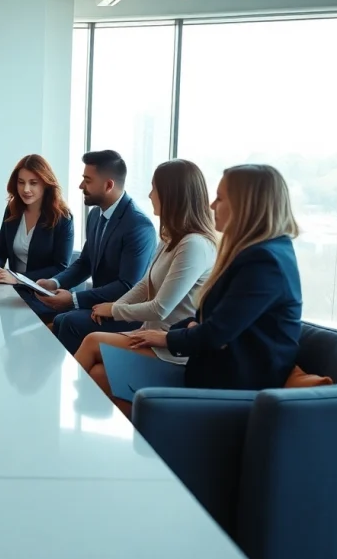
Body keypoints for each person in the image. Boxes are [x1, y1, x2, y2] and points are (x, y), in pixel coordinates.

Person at [126, 164, 302, 392]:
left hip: (235, 388)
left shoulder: (264, 261)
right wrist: (189, 328)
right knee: (104, 374)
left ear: (245, 205)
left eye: (219, 198)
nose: (211, 205)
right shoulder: (262, 252)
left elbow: (217, 332)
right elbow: (213, 321)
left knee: (104, 376)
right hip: (216, 371)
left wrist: (166, 338)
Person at [73, 160, 217, 405]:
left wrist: (114, 310)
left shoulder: (194, 245)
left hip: (171, 350)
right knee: (98, 374)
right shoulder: (172, 237)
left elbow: (161, 308)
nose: (150, 195)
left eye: (154, 188)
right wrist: (112, 306)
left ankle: (55, 402)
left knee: (92, 340)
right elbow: (143, 285)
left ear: (171, 194)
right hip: (149, 336)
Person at [34, 150, 157, 353]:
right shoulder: (95, 216)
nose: (81, 186)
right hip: (98, 307)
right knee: (58, 322)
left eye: (87, 180)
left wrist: (74, 299)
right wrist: (54, 282)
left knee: (68, 321)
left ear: (108, 185)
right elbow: (85, 263)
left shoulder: (138, 226)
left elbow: (127, 285)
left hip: (124, 314)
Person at [0, 154, 74, 288]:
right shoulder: (12, 210)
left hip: (46, 293)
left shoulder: (62, 217)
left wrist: (18, 278)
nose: (26, 189)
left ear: (46, 184)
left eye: (33, 183)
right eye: (21, 182)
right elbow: (0, 251)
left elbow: (60, 268)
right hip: (13, 290)